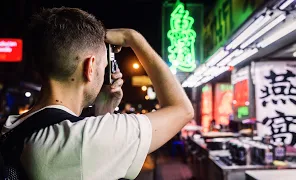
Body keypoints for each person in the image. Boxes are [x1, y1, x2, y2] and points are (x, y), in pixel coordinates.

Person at [0, 7, 194, 180]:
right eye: (103, 66)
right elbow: (182, 110)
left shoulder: (12, 126)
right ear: (90, 67)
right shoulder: (82, 140)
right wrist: (134, 39)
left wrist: (102, 112)